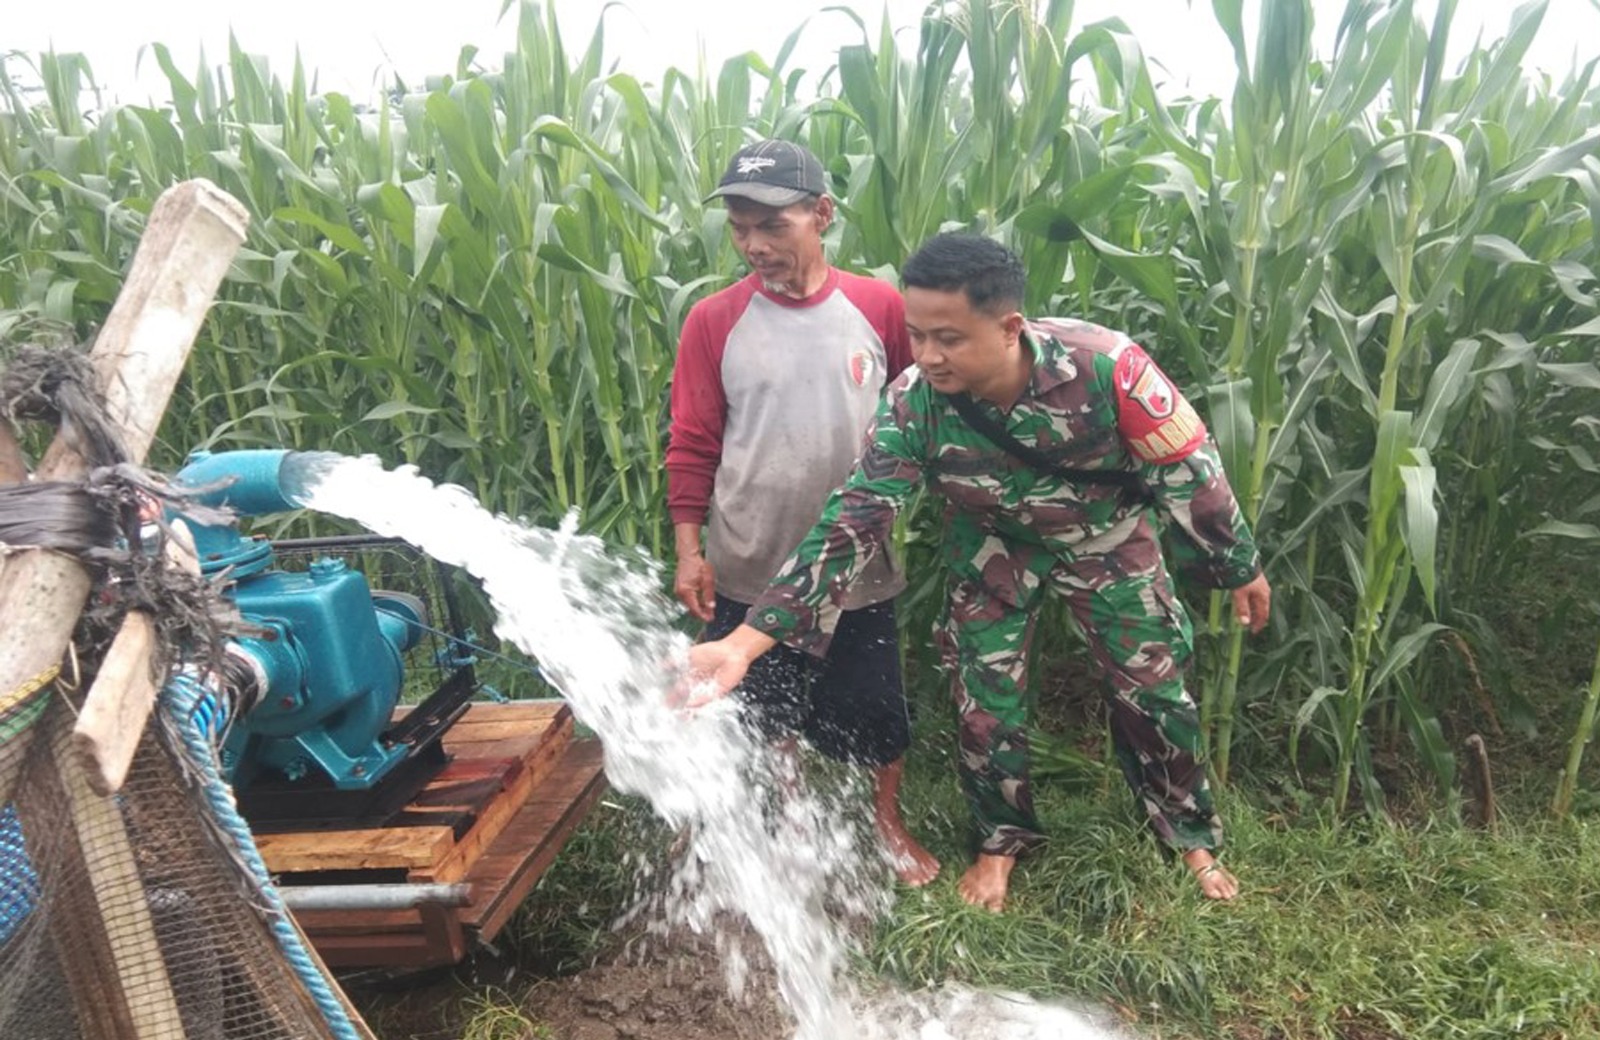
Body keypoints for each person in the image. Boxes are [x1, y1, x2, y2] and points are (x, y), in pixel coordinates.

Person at [682, 233, 1271, 911]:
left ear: (1008, 327)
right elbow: (851, 525)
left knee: (1155, 688)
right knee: (984, 700)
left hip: (1103, 537)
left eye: (950, 338)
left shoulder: (1107, 368)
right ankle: (1001, 840)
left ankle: (1187, 833)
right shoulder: (914, 402)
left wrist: (1237, 566)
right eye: (917, 334)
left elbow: (1189, 468)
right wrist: (743, 643)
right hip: (993, 545)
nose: (927, 355)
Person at [666, 139, 940, 886]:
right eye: (738, 226)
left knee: (876, 710)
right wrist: (692, 550)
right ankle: (785, 817)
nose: (754, 245)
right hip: (749, 555)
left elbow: (921, 417)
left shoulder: (879, 309)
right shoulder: (713, 322)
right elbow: (692, 441)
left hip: (858, 564)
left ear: (822, 215)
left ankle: (886, 824)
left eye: (773, 226)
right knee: (760, 710)